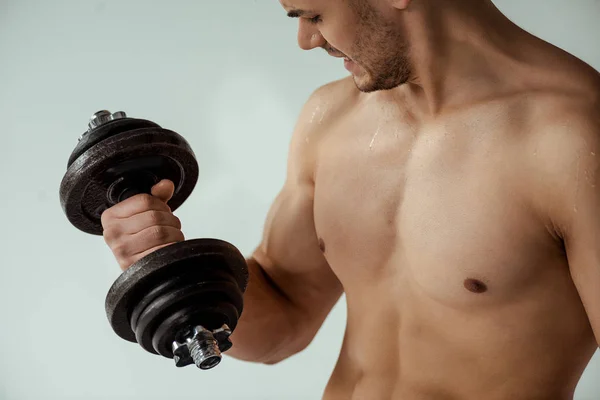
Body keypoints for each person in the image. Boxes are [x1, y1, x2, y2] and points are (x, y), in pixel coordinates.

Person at [101, 0, 600, 398]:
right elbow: (284, 322)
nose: (306, 40)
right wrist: (169, 267)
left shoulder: (574, 140)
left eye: (314, 15)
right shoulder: (330, 121)